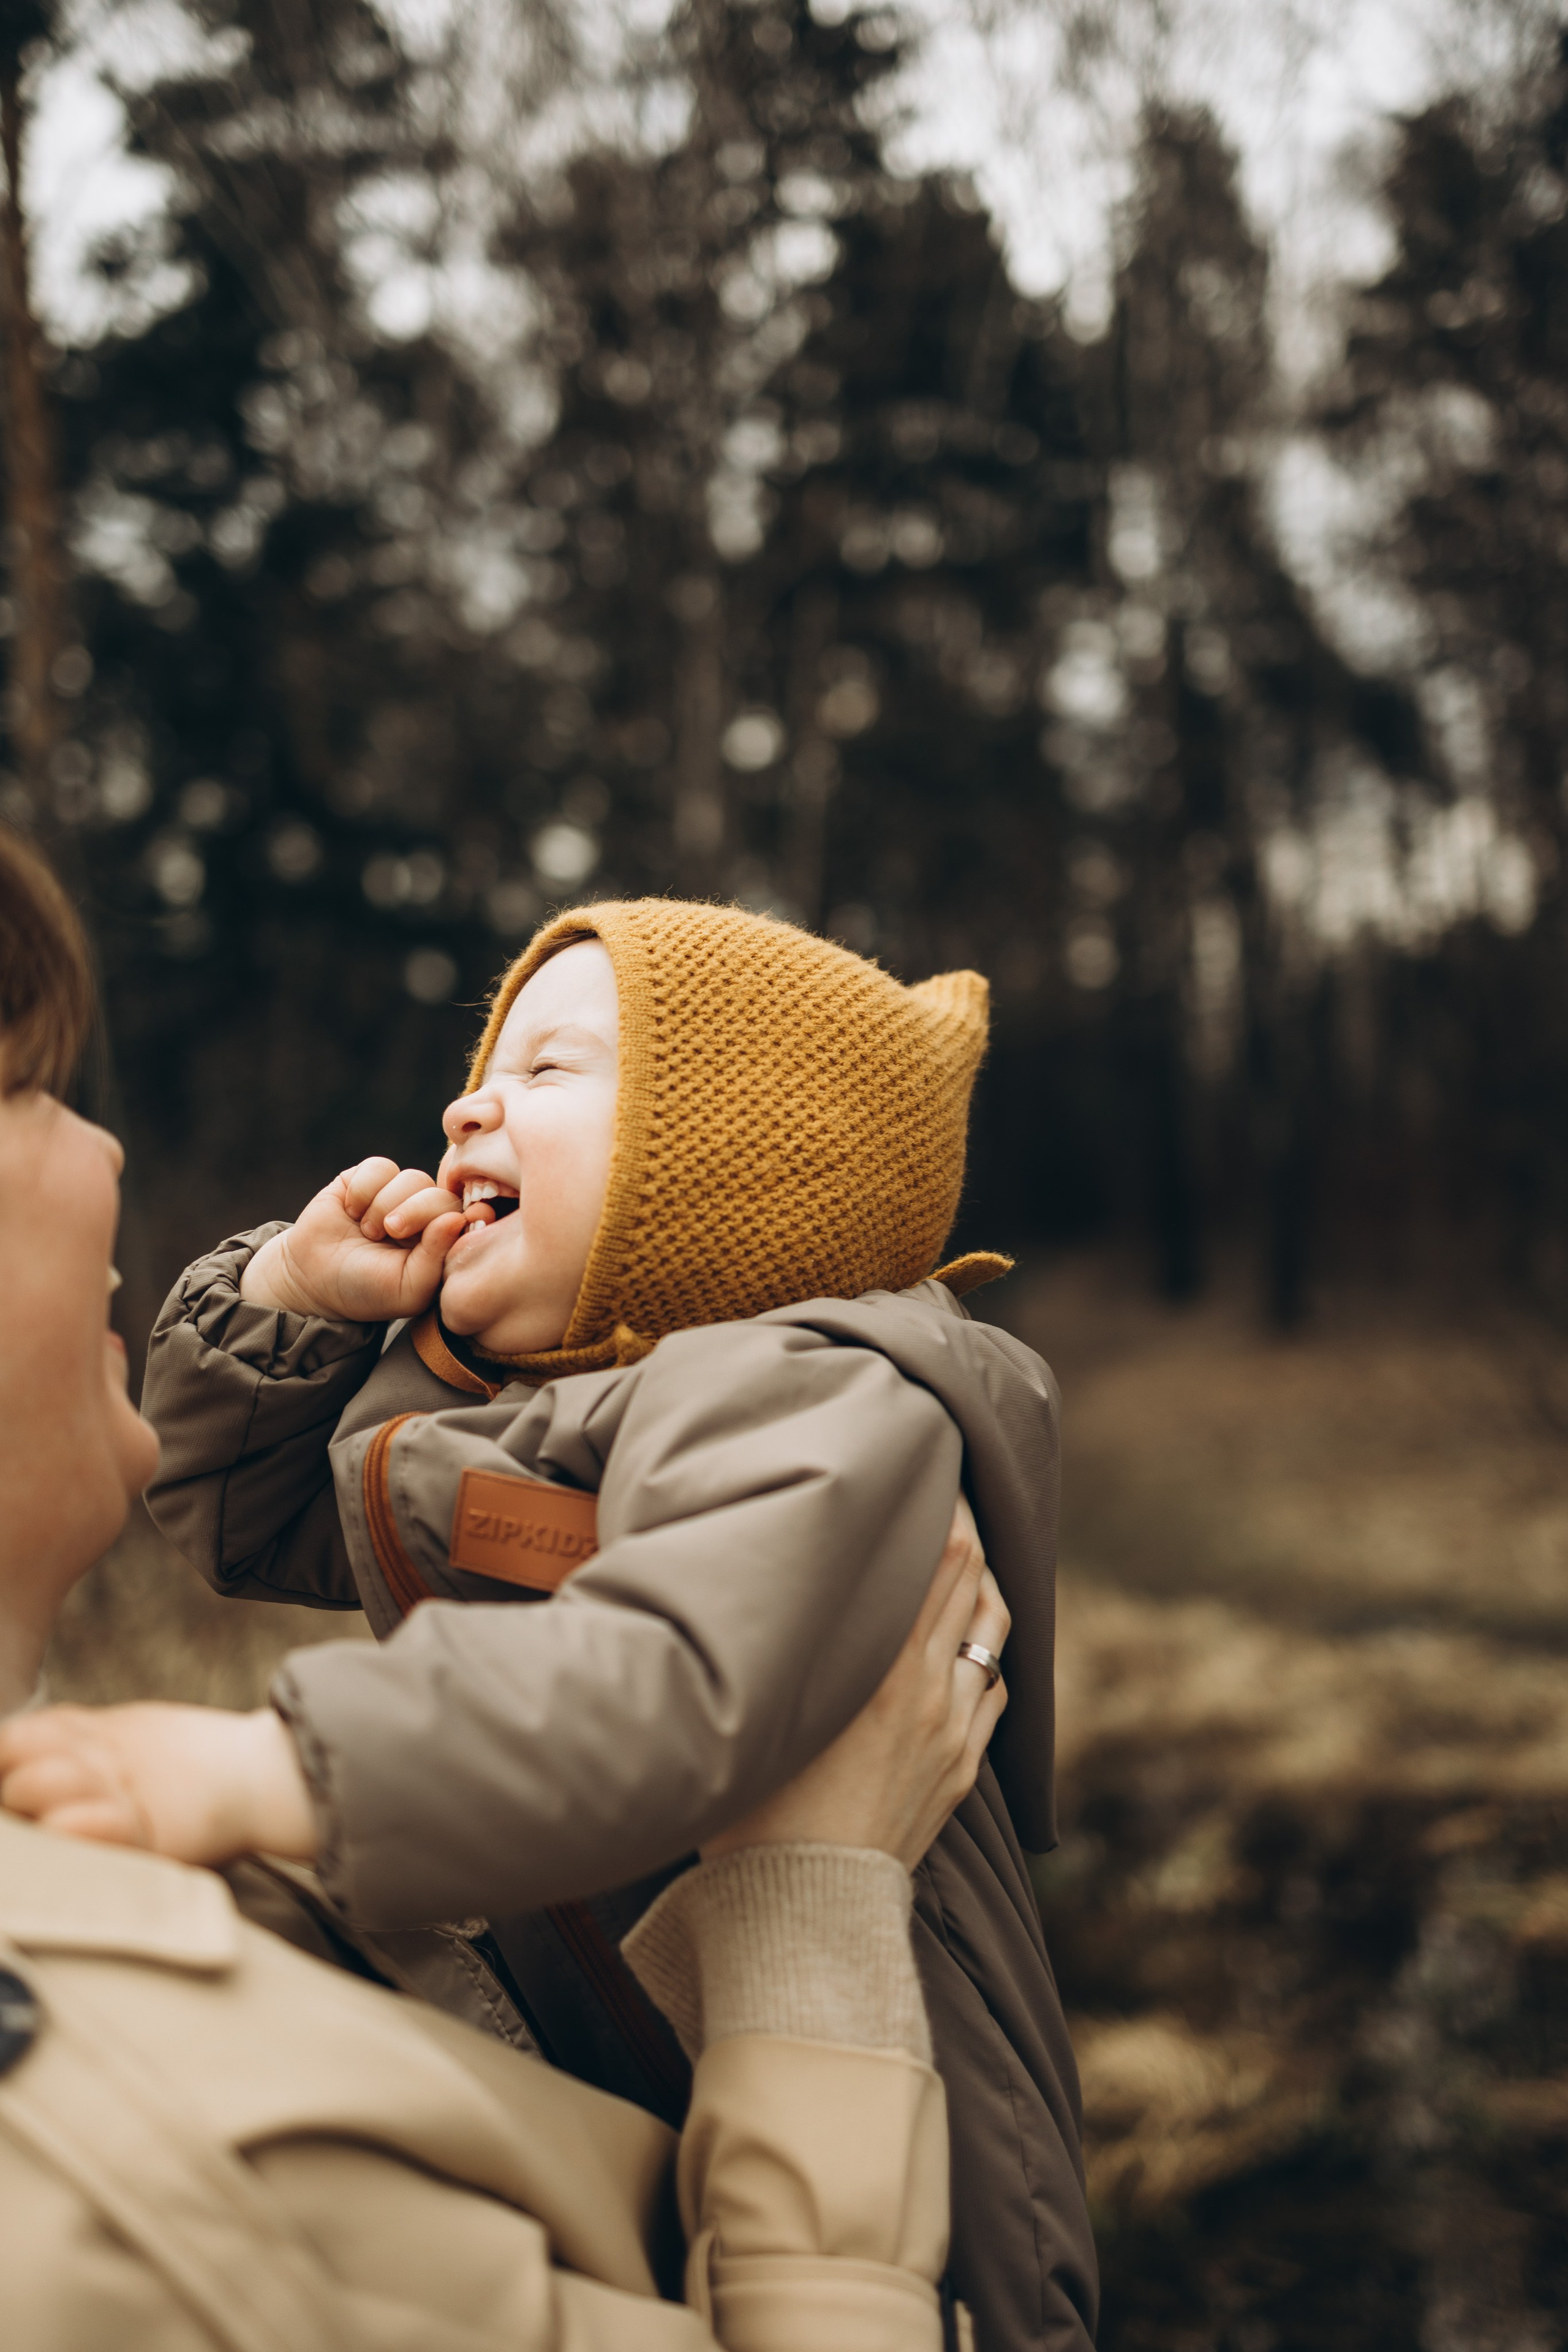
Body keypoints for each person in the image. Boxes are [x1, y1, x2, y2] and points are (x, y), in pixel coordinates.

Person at [9, 897, 1098, 2352]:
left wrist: (272, 1776)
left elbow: (672, 1678)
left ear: (724, 1169)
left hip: (927, 2177)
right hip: (680, 2086)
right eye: (486, 1064)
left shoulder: (815, 1395)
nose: (470, 1104)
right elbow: (237, 1520)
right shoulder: (529, 1416)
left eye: (550, 1072)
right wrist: (295, 1305)